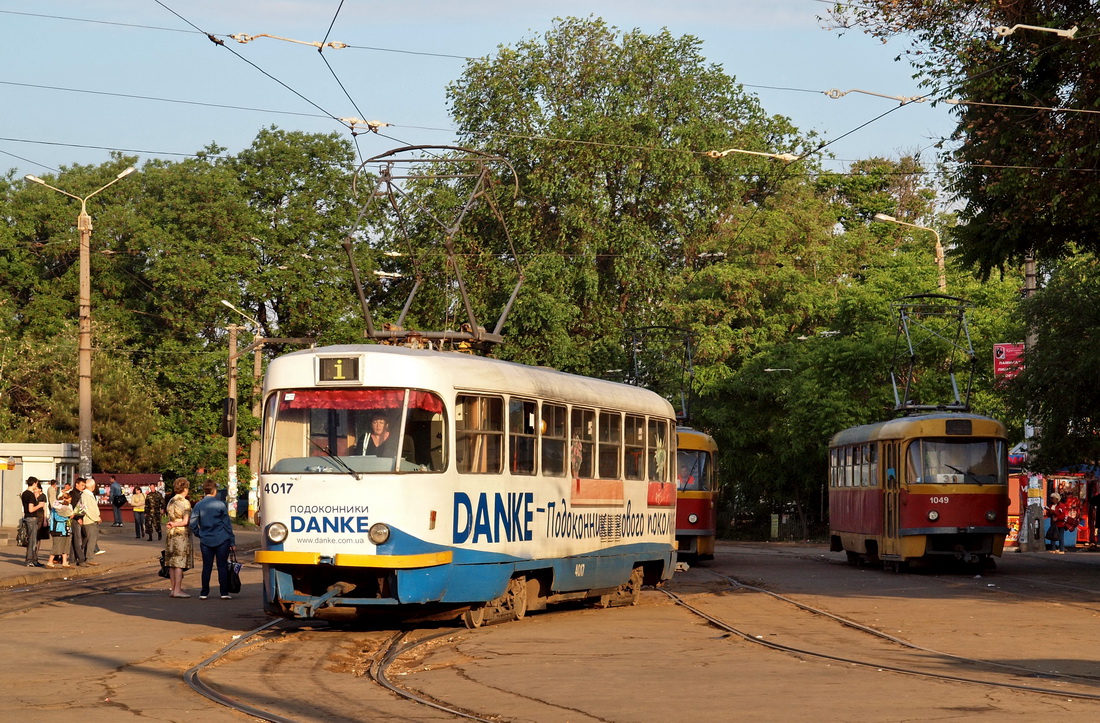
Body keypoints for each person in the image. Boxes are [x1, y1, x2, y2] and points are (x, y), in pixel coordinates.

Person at [189, 479, 237, 600]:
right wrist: (232, 541)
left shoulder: (198, 505)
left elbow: (192, 523)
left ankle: (204, 592)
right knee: (222, 565)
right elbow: (227, 525)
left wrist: (199, 534)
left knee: (207, 566)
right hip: (222, 539)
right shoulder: (220, 505)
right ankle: (224, 592)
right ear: (215, 490)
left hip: (205, 540)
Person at [164, 478, 194, 598]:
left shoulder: (171, 500)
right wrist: (176, 524)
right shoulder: (185, 502)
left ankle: (173, 589)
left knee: (171, 562)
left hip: (170, 533)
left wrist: (172, 524)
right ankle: (178, 590)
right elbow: (185, 521)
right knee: (179, 562)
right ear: (185, 488)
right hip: (180, 534)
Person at [20, 477, 47, 567]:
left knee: (32, 540)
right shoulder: (30, 495)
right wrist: (39, 505)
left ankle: (34, 560)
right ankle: (29, 560)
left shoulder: (24, 493)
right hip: (32, 518)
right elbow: (31, 509)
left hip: (27, 518)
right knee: (32, 541)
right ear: (35, 483)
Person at [48, 491, 75, 568]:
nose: (69, 502)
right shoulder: (57, 507)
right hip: (58, 529)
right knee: (57, 545)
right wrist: (68, 517)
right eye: (68, 500)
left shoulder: (66, 506)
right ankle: (50, 561)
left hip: (66, 528)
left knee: (65, 546)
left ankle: (64, 562)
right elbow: (57, 518)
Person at [81, 477, 103, 563]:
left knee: (88, 540)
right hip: (90, 521)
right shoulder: (86, 495)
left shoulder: (88, 494)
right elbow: (87, 509)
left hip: (91, 520)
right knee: (91, 540)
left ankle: (85, 557)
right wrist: (96, 518)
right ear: (93, 486)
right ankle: (89, 558)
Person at [68, 478, 88, 567]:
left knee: (81, 537)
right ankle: (81, 559)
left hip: (80, 518)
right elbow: (71, 508)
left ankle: (72, 558)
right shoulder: (73, 494)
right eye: (82, 485)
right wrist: (77, 517)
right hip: (75, 519)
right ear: (77, 484)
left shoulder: (81, 494)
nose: (83, 487)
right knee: (78, 539)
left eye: (84, 485)